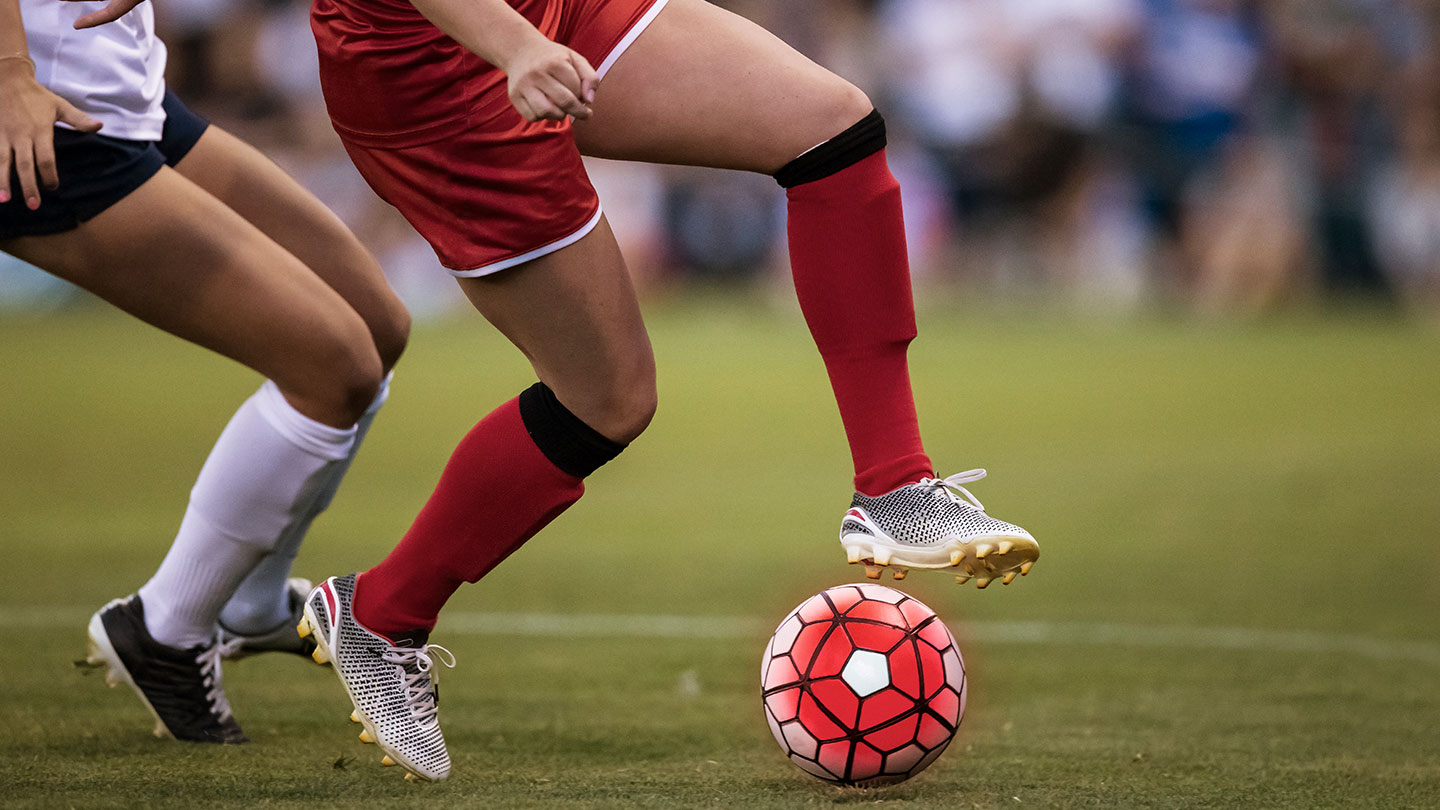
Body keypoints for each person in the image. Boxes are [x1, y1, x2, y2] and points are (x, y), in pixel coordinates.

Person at [281, 0, 1038, 781]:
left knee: (829, 127)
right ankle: (379, 614)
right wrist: (516, 47)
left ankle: (896, 487)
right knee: (606, 399)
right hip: (433, 66)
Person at [1, 0, 409, 744]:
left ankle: (251, 607)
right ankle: (166, 629)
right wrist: (8, 72)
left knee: (376, 326)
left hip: (122, 91)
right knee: (334, 368)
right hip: (40, 118)